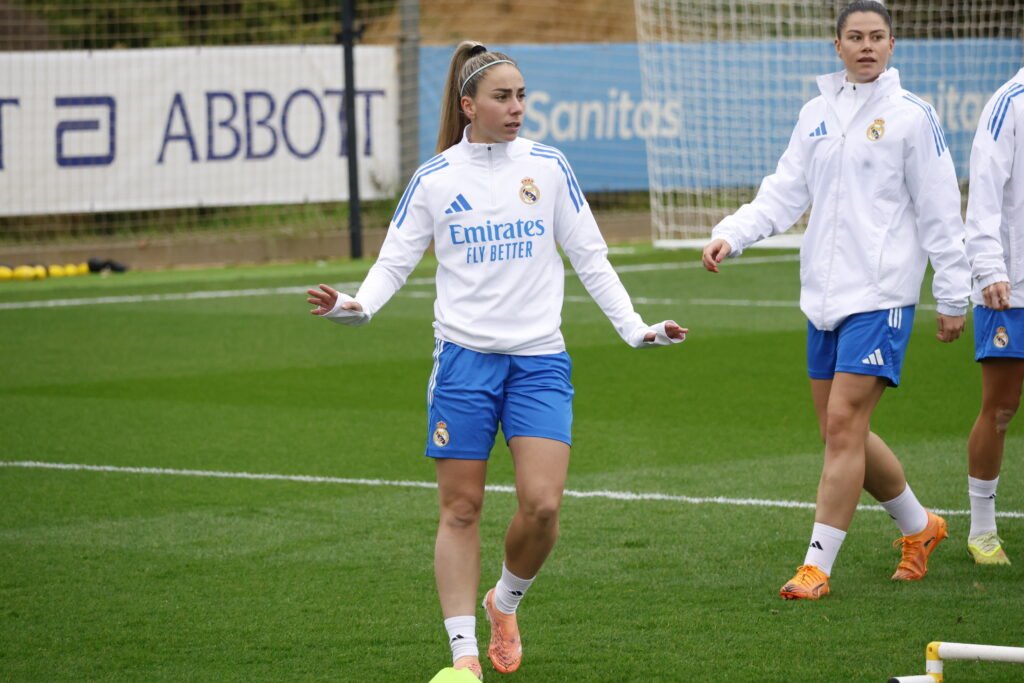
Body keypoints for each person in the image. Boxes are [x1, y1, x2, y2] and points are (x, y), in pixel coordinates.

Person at [307, 41, 686, 678]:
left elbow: (590, 257)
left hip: (540, 362)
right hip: (463, 364)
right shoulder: (435, 179)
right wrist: (355, 305)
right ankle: (462, 660)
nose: (516, 108)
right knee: (461, 510)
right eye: (502, 97)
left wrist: (636, 328)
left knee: (543, 507)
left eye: (521, 96)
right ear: (468, 105)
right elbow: (393, 264)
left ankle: (504, 602)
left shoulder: (549, 166)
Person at [701, 1, 970, 599]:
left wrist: (954, 292)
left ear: (892, 45)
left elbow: (939, 208)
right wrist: (732, 234)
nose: (866, 46)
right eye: (855, 36)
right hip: (823, 298)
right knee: (837, 430)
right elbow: (783, 192)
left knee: (845, 423)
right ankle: (921, 527)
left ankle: (816, 567)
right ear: (837, 45)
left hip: (882, 294)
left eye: (877, 36)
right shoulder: (815, 114)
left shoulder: (912, 116)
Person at [963, 66, 1024, 566]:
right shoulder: (1010, 103)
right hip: (1012, 287)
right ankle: (982, 530)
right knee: (1001, 407)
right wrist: (989, 267)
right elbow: (983, 192)